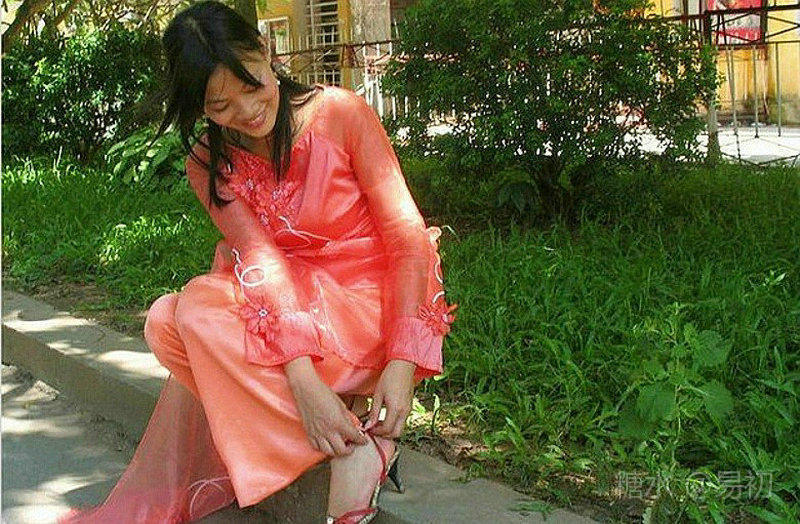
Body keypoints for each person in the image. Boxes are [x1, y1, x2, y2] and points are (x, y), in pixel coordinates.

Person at [59, 1, 456, 523]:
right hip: (288, 304)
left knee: (193, 312)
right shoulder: (209, 161)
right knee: (168, 322)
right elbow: (262, 262)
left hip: (366, 306)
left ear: (266, 52)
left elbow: (406, 237)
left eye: (251, 85)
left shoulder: (340, 113)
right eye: (220, 105)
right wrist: (303, 385)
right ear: (200, 107)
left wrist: (403, 362)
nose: (246, 111)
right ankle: (356, 439)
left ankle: (344, 423)